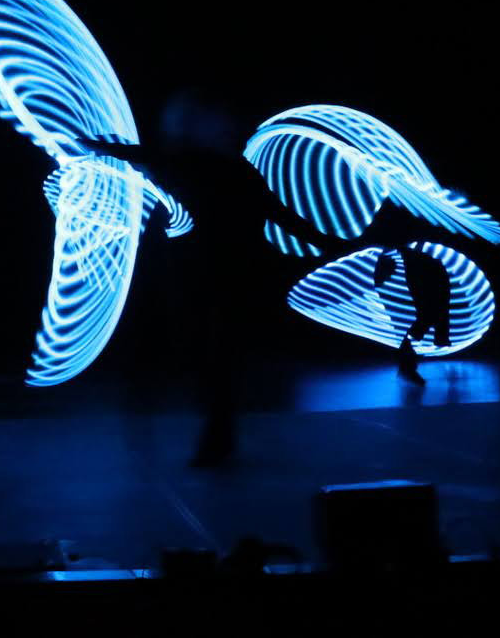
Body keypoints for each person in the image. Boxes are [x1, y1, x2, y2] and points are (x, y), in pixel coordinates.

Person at [78, 90, 382, 466]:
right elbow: (282, 216)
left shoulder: (217, 169)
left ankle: (217, 437)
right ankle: (218, 433)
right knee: (208, 355)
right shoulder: (218, 168)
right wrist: (333, 245)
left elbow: (279, 214)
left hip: (220, 275)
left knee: (214, 355)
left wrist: (334, 245)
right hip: (213, 275)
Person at [374, 244, 453, 386]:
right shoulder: (415, 260)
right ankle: (407, 364)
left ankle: (407, 363)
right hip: (426, 278)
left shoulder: (417, 260)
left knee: (425, 319)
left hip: (427, 278)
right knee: (424, 320)